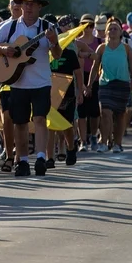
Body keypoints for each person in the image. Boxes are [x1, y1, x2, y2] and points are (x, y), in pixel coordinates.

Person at [0, 0, 62, 177]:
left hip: (41, 82)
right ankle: (23, 161)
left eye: (31, 4)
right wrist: (4, 49)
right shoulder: (11, 26)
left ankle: (41, 157)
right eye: (24, 3)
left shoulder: (46, 28)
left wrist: (54, 42)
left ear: (39, 7)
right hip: (18, 83)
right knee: (20, 122)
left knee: (40, 119)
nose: (27, 7)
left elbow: (58, 56)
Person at [87, 18, 132, 153]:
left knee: (120, 115)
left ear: (121, 32)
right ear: (106, 32)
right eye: (110, 28)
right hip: (106, 84)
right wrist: (89, 85)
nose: (113, 30)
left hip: (122, 84)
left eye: (115, 28)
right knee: (105, 112)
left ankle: (117, 143)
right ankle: (104, 142)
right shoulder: (102, 48)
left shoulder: (126, 49)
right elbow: (95, 67)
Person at [0, 0, 24, 174]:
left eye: (21, 2)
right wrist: (6, 50)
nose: (17, 5)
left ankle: (21, 157)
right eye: (14, 2)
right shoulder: (4, 27)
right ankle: (10, 154)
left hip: (25, 80)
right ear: (9, 5)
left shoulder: (31, 28)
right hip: (5, 79)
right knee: (7, 119)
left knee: (21, 119)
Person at [49, 14, 83, 166]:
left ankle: (70, 148)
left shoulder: (70, 54)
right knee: (49, 125)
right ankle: (49, 157)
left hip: (68, 94)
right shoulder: (47, 54)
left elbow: (78, 73)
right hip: (50, 93)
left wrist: (80, 90)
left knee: (67, 124)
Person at [76, 14, 101, 152]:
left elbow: (98, 61)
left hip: (95, 78)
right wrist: (83, 85)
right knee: (81, 111)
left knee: (95, 111)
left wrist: (90, 84)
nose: (88, 28)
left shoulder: (98, 41)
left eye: (90, 25)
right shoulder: (77, 42)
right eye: (85, 25)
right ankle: (83, 140)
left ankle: (93, 136)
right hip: (80, 76)